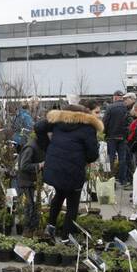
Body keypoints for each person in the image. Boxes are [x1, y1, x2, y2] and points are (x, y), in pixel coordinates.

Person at [34, 99, 102, 240]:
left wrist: (49, 149)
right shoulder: (87, 128)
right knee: (72, 203)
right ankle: (67, 237)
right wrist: (85, 159)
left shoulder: (59, 123)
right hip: (74, 171)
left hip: (56, 168)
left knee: (59, 196)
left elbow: (39, 127)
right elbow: (92, 154)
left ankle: (50, 228)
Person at [15, 135, 44, 236]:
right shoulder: (30, 147)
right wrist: (40, 165)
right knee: (29, 207)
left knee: (34, 207)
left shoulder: (37, 146)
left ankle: (32, 230)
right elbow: (24, 166)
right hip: (26, 183)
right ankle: (27, 232)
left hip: (32, 182)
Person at [104, 91, 134, 187]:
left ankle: (110, 180)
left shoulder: (110, 107)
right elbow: (130, 122)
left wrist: (105, 133)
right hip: (123, 138)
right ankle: (123, 180)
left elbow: (105, 122)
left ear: (115, 97)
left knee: (110, 159)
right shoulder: (126, 108)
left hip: (111, 137)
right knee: (123, 159)